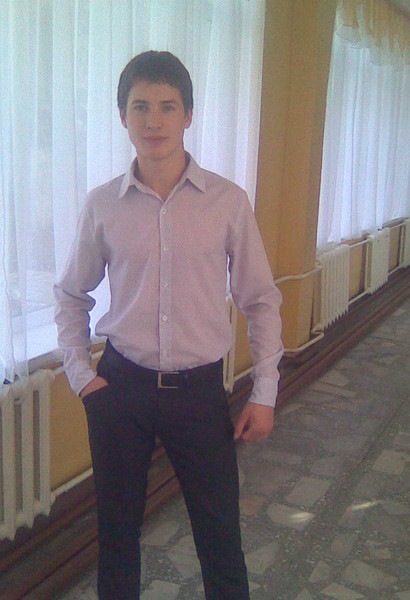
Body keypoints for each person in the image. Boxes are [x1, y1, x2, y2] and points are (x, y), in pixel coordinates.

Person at [54, 50, 283, 600]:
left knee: (220, 536)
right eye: (140, 107)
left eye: (166, 106)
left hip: (198, 393)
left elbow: (259, 299)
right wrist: (82, 377)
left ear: (188, 116)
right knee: (116, 537)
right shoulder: (103, 205)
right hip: (120, 389)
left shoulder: (227, 202)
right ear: (122, 116)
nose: (153, 121)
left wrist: (265, 392)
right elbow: (70, 295)